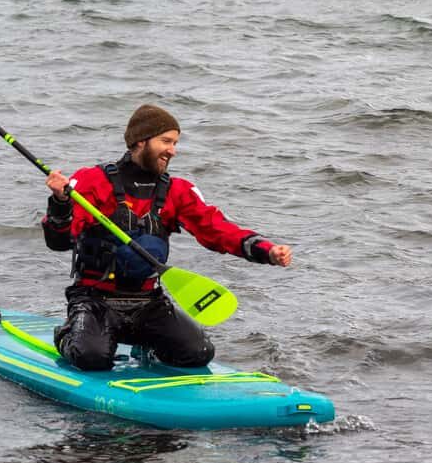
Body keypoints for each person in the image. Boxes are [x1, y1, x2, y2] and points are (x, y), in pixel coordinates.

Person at [42, 104, 292, 371]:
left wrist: (267, 251)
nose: (173, 150)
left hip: (148, 302)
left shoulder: (177, 191)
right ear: (141, 140)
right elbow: (58, 242)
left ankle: (142, 343)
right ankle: (69, 334)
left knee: (199, 353)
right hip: (95, 300)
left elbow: (217, 229)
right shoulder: (92, 181)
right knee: (91, 358)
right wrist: (60, 202)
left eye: (175, 142)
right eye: (166, 141)